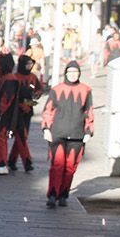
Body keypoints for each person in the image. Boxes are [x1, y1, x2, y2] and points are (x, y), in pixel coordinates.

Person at [40, 60, 94, 209]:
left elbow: (89, 111)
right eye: (70, 72)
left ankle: (63, 194)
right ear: (65, 73)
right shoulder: (56, 90)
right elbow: (48, 110)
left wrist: (89, 130)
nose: (72, 75)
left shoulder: (86, 90)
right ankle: (52, 194)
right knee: (57, 165)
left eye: (75, 72)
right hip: (58, 132)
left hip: (77, 134)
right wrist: (46, 128)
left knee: (70, 167)